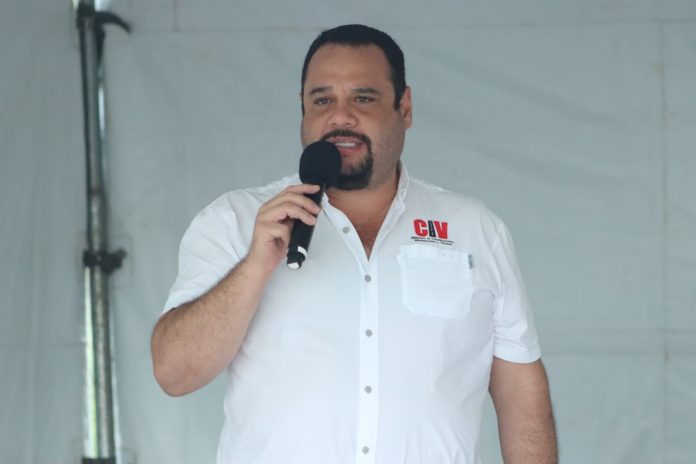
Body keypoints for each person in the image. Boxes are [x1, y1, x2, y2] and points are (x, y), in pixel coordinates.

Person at [151, 24, 558, 464]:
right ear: (302, 108)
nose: (340, 117)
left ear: (404, 107)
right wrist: (253, 268)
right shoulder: (236, 220)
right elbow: (175, 374)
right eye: (322, 100)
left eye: (362, 98)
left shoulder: (474, 228)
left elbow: (519, 387)